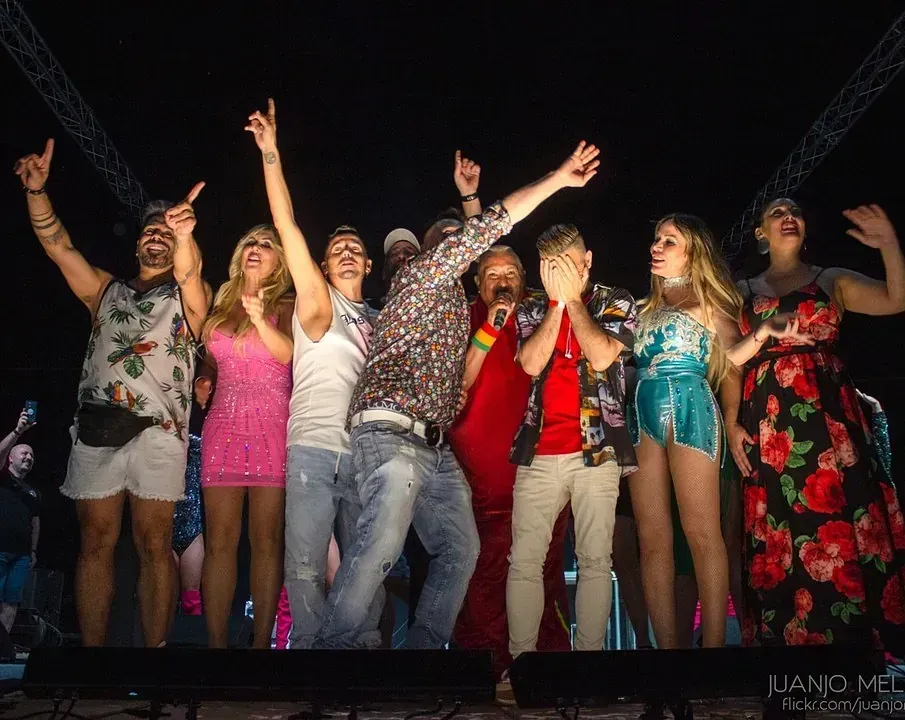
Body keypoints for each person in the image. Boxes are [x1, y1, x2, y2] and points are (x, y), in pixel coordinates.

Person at [314, 141, 602, 650]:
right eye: (454, 242)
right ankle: (331, 652)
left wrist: (491, 329)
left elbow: (468, 371)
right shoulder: (422, 278)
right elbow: (493, 226)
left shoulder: (458, 312)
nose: (464, 245)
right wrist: (557, 179)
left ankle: (426, 656)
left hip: (434, 443)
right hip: (390, 429)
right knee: (381, 543)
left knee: (460, 550)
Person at [15, 139, 210, 647]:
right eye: (151, 231)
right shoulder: (105, 290)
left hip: (161, 432)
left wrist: (185, 235)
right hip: (99, 427)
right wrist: (38, 194)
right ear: (137, 245)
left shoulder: (189, 298)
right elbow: (60, 248)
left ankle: (154, 659)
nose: (157, 237)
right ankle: (93, 662)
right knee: (96, 542)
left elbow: (192, 278)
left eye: (166, 234)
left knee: (153, 542)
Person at [726, 199, 905, 653]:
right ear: (760, 233)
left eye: (798, 212)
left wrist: (888, 245)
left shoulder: (830, 279)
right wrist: (730, 422)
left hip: (831, 419)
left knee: (842, 521)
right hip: (770, 424)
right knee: (783, 531)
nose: (790, 216)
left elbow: (895, 299)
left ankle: (853, 649)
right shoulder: (740, 289)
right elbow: (726, 359)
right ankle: (790, 651)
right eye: (777, 212)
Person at [245, 99, 380, 649]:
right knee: (303, 561)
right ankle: (306, 653)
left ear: (369, 265)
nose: (346, 253)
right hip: (315, 450)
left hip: (370, 452)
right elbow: (286, 223)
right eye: (337, 250)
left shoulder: (380, 319)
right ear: (322, 267)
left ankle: (363, 651)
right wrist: (271, 154)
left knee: (367, 560)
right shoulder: (318, 303)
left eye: (356, 249)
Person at [506, 223, 636, 669]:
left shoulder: (615, 300)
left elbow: (601, 356)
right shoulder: (533, 309)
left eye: (569, 265)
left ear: (588, 261)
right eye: (551, 267)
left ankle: (589, 667)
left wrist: (575, 302)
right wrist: (557, 304)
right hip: (538, 451)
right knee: (523, 559)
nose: (560, 274)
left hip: (597, 451)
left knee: (595, 559)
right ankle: (522, 666)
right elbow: (529, 363)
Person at [449, 245, 571, 679]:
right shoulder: (460, 318)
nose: (501, 281)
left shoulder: (543, 313)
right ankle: (485, 665)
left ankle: (544, 666)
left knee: (544, 562)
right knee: (489, 560)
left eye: (509, 273)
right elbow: (453, 385)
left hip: (540, 455)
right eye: (491, 274)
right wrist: (489, 325)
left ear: (524, 278)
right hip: (482, 462)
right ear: (478, 284)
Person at [195, 221, 293, 649]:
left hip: (272, 425)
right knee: (219, 542)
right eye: (250, 241)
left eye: (267, 244)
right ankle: (216, 650)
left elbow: (290, 354)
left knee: (266, 542)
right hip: (222, 426)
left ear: (279, 260)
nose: (256, 248)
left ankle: (259, 649)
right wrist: (203, 376)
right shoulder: (221, 299)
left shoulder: (287, 303)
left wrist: (260, 318)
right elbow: (213, 357)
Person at [0, 410, 38, 661]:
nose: (29, 457)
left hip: (22, 555)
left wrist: (33, 551)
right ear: (11, 458)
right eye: (24, 452)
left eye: (32, 455)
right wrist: (17, 432)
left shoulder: (32, 491)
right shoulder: (2, 477)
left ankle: (1, 649)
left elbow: (36, 522)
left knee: (11, 602)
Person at [172, 391, 205, 618]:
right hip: (164, 524)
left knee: (191, 598)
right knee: (164, 594)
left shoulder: (195, 446)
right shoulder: (160, 444)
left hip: (192, 529)